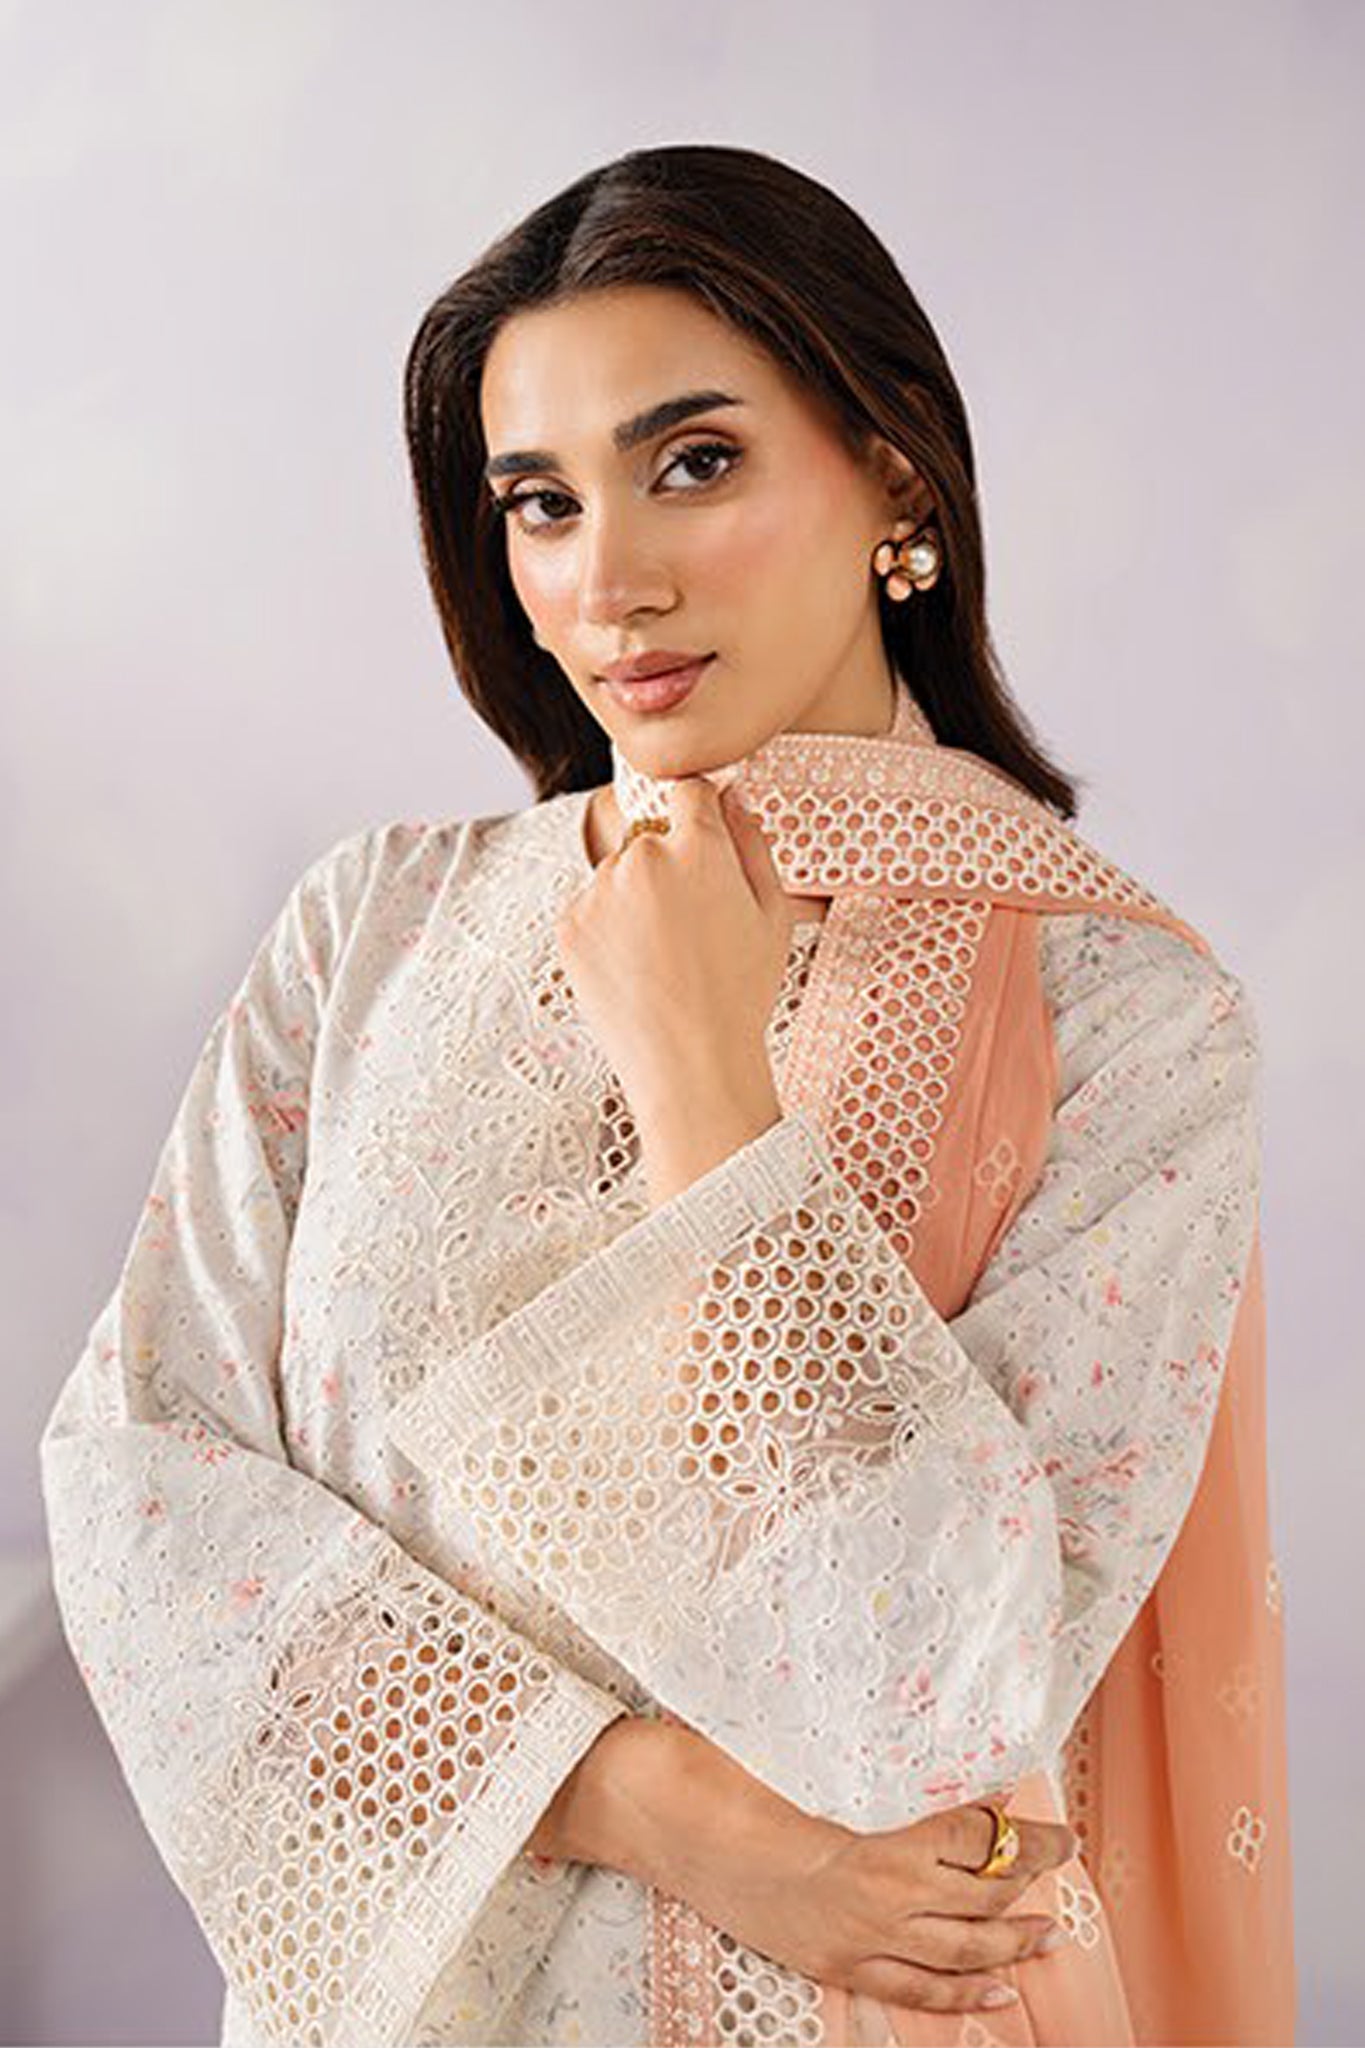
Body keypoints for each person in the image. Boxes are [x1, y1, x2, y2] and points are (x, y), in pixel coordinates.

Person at [39, 142, 1294, 2048]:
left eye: (692, 464)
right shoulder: (370, 933)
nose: (608, 581)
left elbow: (931, 1701)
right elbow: (144, 1498)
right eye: (539, 502)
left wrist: (708, 1089)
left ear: (894, 475)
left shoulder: (1122, 1018)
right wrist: (639, 1800)